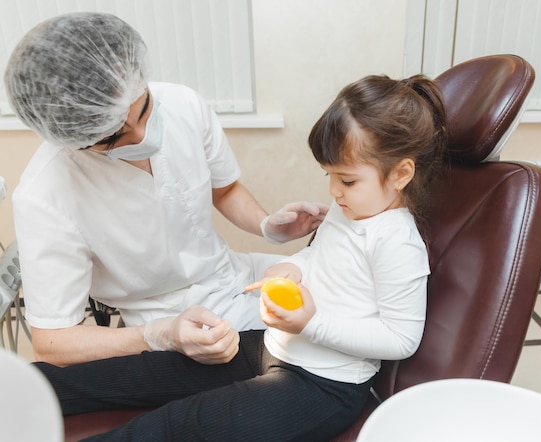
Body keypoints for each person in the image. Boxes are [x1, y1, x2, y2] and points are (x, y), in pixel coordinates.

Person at [36, 73, 448, 440]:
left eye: (347, 180)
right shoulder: (353, 209)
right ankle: (22, 389)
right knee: (132, 374)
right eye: (330, 177)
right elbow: (316, 260)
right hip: (278, 348)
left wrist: (311, 322)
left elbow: (401, 340)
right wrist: (289, 268)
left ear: (401, 174)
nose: (334, 192)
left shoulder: (397, 243)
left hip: (324, 385)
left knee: (177, 425)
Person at [4, 12, 327, 367]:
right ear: (72, 138)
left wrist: (267, 225)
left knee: (348, 287)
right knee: (317, 353)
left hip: (231, 272)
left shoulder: (183, 105)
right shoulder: (45, 195)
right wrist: (159, 335)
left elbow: (224, 189)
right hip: (163, 315)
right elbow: (53, 344)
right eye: (112, 137)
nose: (141, 136)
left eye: (144, 110)